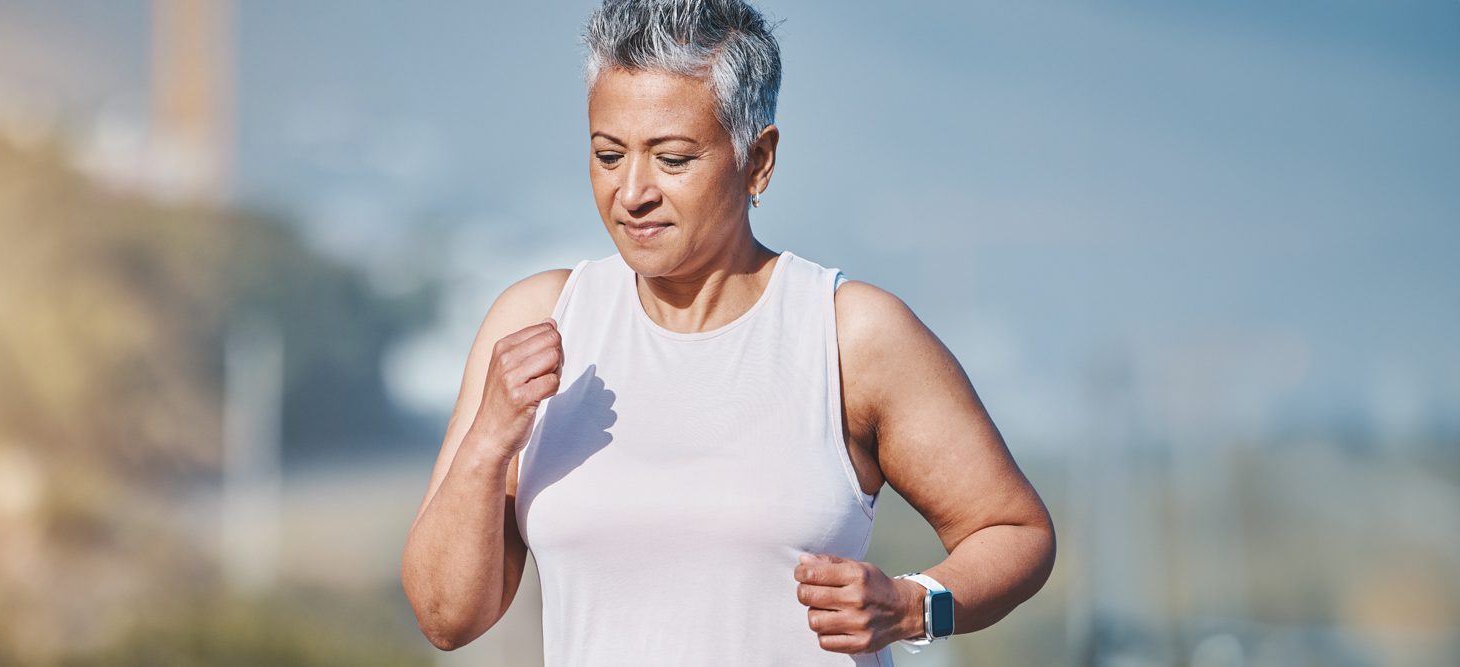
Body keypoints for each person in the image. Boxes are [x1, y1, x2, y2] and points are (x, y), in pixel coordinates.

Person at [401, 0, 1055, 664]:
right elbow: (446, 617)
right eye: (607, 154)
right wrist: (487, 443)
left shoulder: (849, 333)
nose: (632, 191)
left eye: (673, 159)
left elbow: (1016, 530)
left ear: (758, 160)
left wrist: (916, 605)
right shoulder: (540, 321)